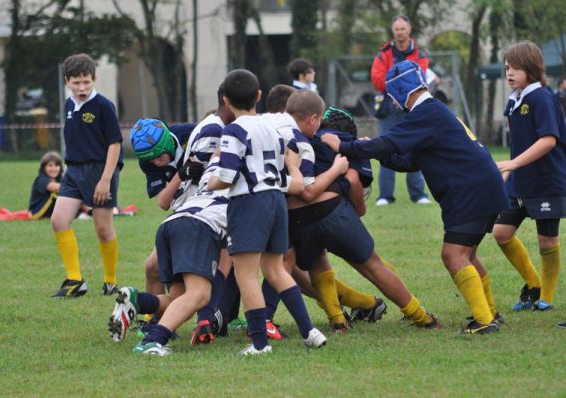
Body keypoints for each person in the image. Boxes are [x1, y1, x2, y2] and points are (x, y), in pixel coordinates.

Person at [322, 60, 509, 334]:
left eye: (392, 96)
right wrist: (370, 150)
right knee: (467, 254)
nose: (393, 103)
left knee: (453, 255)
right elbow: (408, 160)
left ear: (400, 91)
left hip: (470, 190)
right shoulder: (433, 112)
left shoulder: (426, 113)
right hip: (483, 185)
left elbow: (388, 142)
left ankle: (484, 321)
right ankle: (489, 312)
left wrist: (345, 147)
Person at [286, 95, 439, 332]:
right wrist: (357, 210)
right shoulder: (340, 140)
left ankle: (337, 321)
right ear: (314, 119)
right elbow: (354, 178)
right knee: (372, 266)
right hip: (331, 211)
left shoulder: (278, 137)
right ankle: (420, 316)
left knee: (318, 262)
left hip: (295, 219)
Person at [208, 69, 326, 355]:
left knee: (246, 275)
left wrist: (211, 180)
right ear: (259, 95)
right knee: (275, 269)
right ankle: (309, 331)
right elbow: (289, 157)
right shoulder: (272, 127)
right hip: (276, 200)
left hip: (249, 203)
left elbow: (226, 175)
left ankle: (259, 344)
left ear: (225, 100)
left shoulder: (233, 130)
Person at [109, 156, 230, 356]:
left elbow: (219, 150)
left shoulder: (218, 163)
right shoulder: (249, 177)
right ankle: (152, 341)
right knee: (199, 294)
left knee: (179, 299)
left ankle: (137, 300)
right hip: (199, 226)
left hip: (172, 223)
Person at [493, 41, 566, 313]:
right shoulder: (514, 101)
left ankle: (545, 297)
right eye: (507, 68)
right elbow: (518, 145)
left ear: (531, 69)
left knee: (547, 241)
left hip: (546, 182)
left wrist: (512, 163)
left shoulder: (543, 98)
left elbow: (547, 141)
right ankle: (533, 285)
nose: (509, 73)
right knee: (501, 233)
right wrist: (508, 173)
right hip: (520, 183)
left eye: (515, 68)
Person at [50, 53, 123, 298]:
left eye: (86, 82)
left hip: (100, 171)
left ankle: (110, 281)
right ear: (66, 81)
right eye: (76, 82)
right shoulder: (69, 105)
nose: (82, 88)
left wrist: (105, 180)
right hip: (73, 171)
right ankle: (75, 281)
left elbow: (115, 144)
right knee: (58, 220)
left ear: (94, 79)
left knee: (102, 230)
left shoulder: (104, 105)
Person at [371, 15, 430, 206]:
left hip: (412, 108)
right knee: (384, 147)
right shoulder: (382, 54)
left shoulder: (420, 55)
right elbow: (378, 80)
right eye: (397, 29)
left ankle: (418, 194)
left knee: (415, 148)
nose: (400, 32)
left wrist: (394, 77)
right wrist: (401, 82)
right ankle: (385, 196)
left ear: (409, 29)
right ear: (392, 31)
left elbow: (420, 79)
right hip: (387, 109)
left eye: (403, 28)